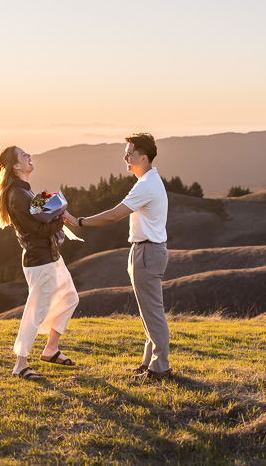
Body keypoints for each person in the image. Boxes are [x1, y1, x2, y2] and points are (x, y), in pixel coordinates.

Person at [64, 133, 171, 380]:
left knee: (153, 312)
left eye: (129, 153)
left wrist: (79, 221)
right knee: (148, 312)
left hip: (148, 252)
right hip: (145, 250)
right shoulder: (148, 181)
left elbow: (114, 215)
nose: (125, 156)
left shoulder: (146, 185)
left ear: (143, 157)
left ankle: (160, 367)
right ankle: (149, 363)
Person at [0, 145, 79, 381]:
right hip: (40, 259)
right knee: (36, 310)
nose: (29, 156)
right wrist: (60, 219)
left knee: (70, 297)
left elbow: (38, 220)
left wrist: (54, 211)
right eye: (23, 155)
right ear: (16, 166)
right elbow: (36, 230)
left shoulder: (24, 190)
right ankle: (20, 364)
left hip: (50, 255)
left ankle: (50, 350)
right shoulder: (16, 194)